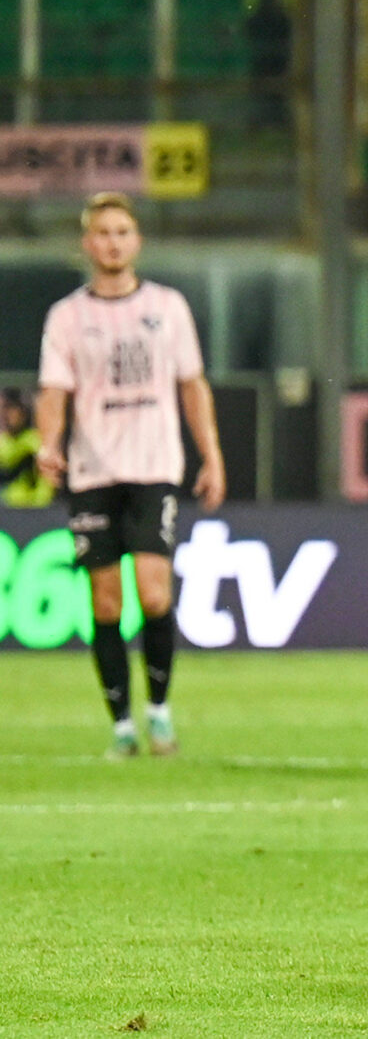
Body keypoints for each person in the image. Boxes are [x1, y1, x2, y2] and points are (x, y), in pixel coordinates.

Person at [33, 193, 226, 759]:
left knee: (154, 590)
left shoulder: (168, 308)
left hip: (154, 467)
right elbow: (53, 391)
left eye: (123, 231)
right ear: (88, 243)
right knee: (107, 603)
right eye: (103, 233)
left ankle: (160, 712)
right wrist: (49, 443)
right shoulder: (67, 316)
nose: (113, 242)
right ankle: (121, 723)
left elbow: (193, 384)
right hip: (94, 471)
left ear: (136, 240)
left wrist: (211, 455)